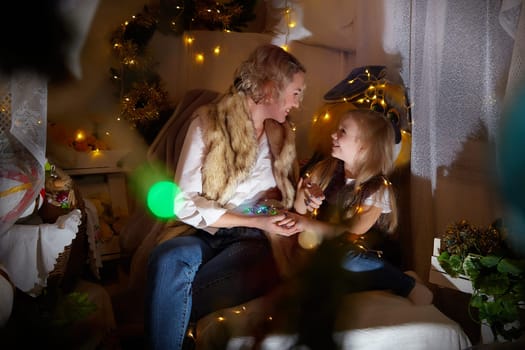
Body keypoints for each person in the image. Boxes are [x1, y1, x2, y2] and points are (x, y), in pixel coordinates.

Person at [145, 44, 306, 350]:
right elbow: (183, 201)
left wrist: (303, 197)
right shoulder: (208, 124)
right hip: (203, 231)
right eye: (296, 92)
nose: (297, 104)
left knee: (250, 264)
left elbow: (287, 200)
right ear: (271, 89)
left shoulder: (283, 135)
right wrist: (254, 220)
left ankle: (164, 311)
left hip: (253, 240)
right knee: (167, 258)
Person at [279, 109, 433, 348]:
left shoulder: (377, 188)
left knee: (346, 258)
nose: (333, 135)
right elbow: (301, 210)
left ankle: (405, 283)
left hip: (361, 253)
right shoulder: (326, 170)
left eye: (342, 132)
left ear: (364, 146)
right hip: (326, 250)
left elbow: (353, 232)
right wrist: (304, 197)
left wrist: (307, 223)